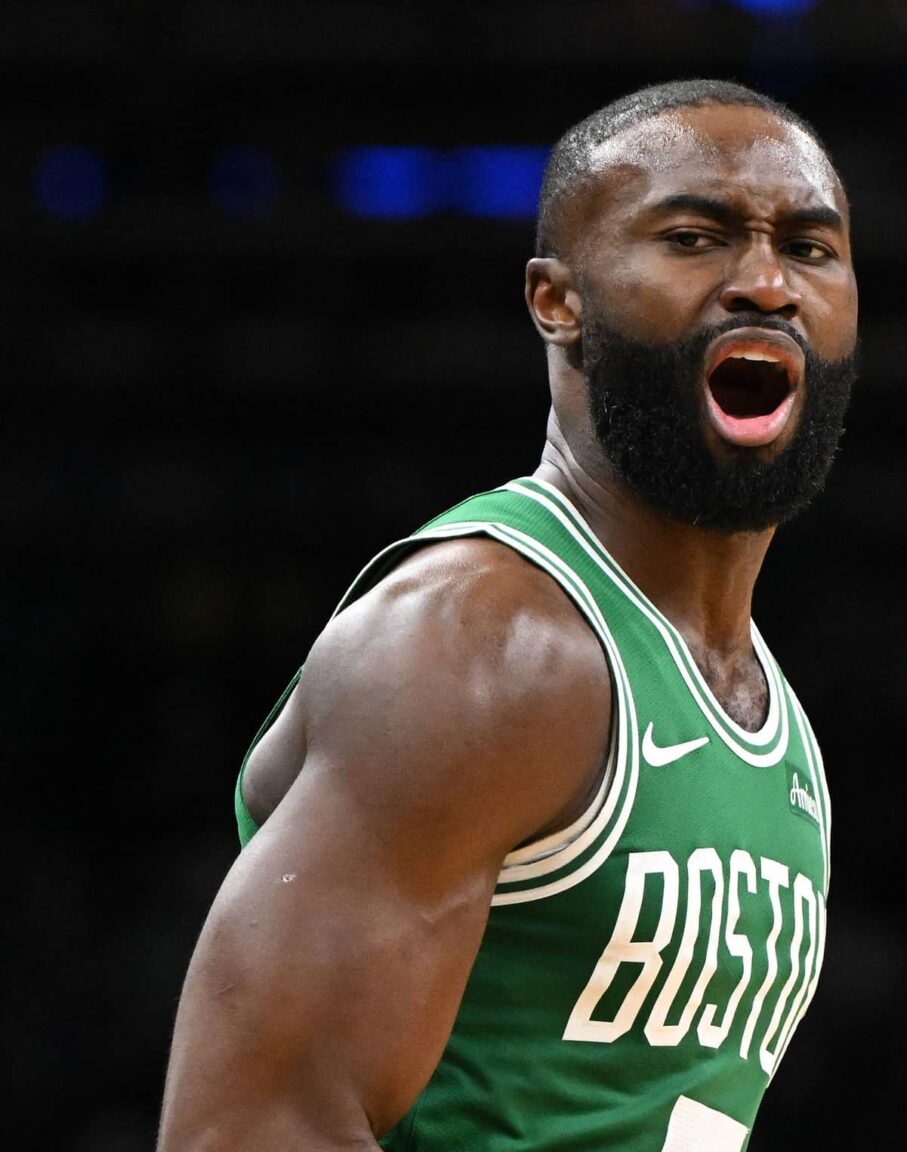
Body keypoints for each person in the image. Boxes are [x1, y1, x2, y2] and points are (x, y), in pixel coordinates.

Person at [157, 78, 859, 1152]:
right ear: (557, 301)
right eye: (693, 237)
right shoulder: (478, 645)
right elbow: (251, 1127)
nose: (764, 281)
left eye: (809, 248)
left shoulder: (770, 715)